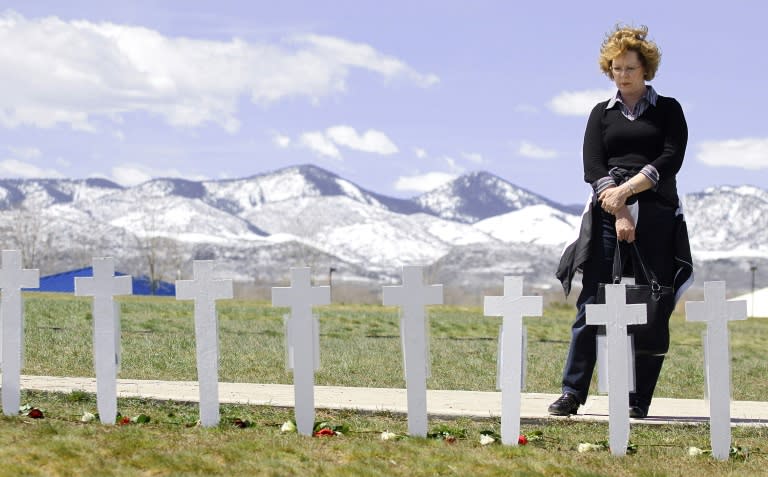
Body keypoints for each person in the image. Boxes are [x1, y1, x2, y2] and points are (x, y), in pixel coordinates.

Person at [552, 24, 693, 418]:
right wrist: (617, 208)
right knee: (592, 300)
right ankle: (572, 392)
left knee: (652, 302)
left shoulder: (669, 110)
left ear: (645, 69)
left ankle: (637, 399)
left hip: (657, 214)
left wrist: (627, 193)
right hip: (606, 212)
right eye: (617, 68)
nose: (624, 75)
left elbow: (670, 158)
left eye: (630, 68)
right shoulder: (601, 114)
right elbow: (592, 165)